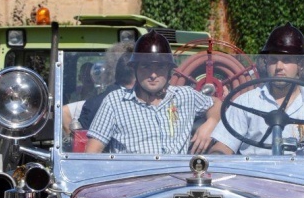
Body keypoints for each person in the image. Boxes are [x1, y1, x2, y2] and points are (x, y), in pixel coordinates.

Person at [209, 24, 304, 156]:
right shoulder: (246, 102)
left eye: (286, 60)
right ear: (265, 63)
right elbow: (223, 146)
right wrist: (214, 158)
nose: (279, 66)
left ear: (301, 65)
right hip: (256, 175)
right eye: (273, 60)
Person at [85, 30, 221, 155]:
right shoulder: (115, 101)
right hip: (132, 179)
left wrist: (211, 123)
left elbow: (216, 103)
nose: (153, 75)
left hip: (177, 178)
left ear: (169, 70)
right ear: (135, 69)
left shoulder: (185, 95)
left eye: (160, 67)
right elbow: (92, 152)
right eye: (146, 66)